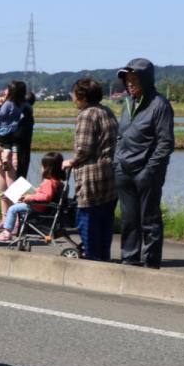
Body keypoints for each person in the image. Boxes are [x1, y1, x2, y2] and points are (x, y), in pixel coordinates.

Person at [114, 58, 174, 268]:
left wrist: (149, 170)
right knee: (129, 220)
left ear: (146, 80)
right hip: (124, 170)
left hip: (146, 172)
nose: (129, 83)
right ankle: (129, 260)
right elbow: (121, 136)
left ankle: (150, 264)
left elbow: (165, 143)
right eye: (127, 80)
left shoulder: (160, 105)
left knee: (149, 221)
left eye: (134, 79)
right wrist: (117, 161)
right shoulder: (127, 103)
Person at [61, 77, 118, 261]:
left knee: (88, 222)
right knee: (105, 224)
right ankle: (103, 259)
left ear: (82, 96)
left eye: (74, 93)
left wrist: (70, 162)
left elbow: (83, 149)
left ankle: (92, 262)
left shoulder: (87, 115)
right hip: (110, 174)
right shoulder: (106, 111)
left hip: (91, 176)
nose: (72, 97)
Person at [0, 152, 65, 243]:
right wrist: (33, 192)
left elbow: (46, 196)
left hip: (37, 207)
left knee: (12, 209)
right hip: (40, 205)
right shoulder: (55, 181)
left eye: (42, 166)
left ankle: (7, 232)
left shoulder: (49, 182)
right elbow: (44, 193)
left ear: (47, 168)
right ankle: (12, 228)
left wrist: (30, 197)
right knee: (17, 204)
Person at [0, 80, 28, 230]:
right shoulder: (11, 105)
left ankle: (17, 222)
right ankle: (5, 221)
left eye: (7, 89)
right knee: (3, 191)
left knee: (15, 190)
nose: (4, 91)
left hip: (17, 152)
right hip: (4, 149)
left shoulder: (25, 109)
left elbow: (21, 133)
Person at [16, 91, 36, 181]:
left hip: (19, 148)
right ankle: (18, 194)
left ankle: (13, 195)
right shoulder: (29, 112)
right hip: (25, 150)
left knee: (17, 175)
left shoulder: (25, 110)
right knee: (21, 175)